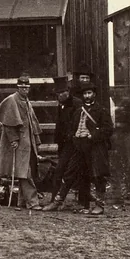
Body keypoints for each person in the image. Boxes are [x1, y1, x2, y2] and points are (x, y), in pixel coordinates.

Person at [0, 74, 43, 209]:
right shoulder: (12, 100)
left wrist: (37, 140)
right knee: (25, 172)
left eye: (27, 87)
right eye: (22, 87)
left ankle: (22, 201)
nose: (25, 90)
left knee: (25, 171)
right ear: (18, 88)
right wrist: (13, 140)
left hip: (28, 141)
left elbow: (33, 123)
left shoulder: (27, 101)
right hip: (19, 142)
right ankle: (33, 202)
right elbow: (7, 123)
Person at [71, 83, 114, 214]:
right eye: (85, 94)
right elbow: (73, 128)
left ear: (94, 94)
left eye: (89, 93)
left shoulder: (101, 111)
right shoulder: (78, 111)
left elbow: (108, 129)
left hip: (96, 147)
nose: (87, 96)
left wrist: (93, 135)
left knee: (98, 176)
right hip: (81, 146)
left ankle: (100, 205)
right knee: (82, 175)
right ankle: (84, 205)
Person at [42, 76, 83, 212]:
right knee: (60, 170)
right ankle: (56, 199)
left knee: (70, 171)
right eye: (57, 94)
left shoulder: (77, 104)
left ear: (68, 91)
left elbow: (78, 125)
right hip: (64, 144)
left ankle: (77, 200)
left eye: (62, 93)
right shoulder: (61, 105)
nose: (59, 96)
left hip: (75, 144)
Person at [113, 95, 130, 205]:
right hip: (116, 136)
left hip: (127, 136)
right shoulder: (111, 103)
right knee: (115, 166)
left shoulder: (128, 103)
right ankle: (117, 194)